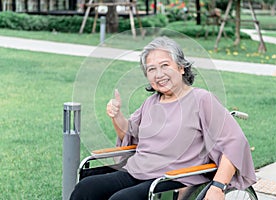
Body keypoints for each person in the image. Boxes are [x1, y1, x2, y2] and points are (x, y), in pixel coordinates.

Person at [70, 36, 256, 200]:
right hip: (137, 171)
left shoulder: (202, 100)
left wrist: (218, 186)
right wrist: (116, 115)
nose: (159, 74)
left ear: (181, 68)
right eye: (151, 69)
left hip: (174, 178)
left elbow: (235, 142)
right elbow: (129, 134)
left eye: (165, 66)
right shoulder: (151, 103)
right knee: (86, 188)